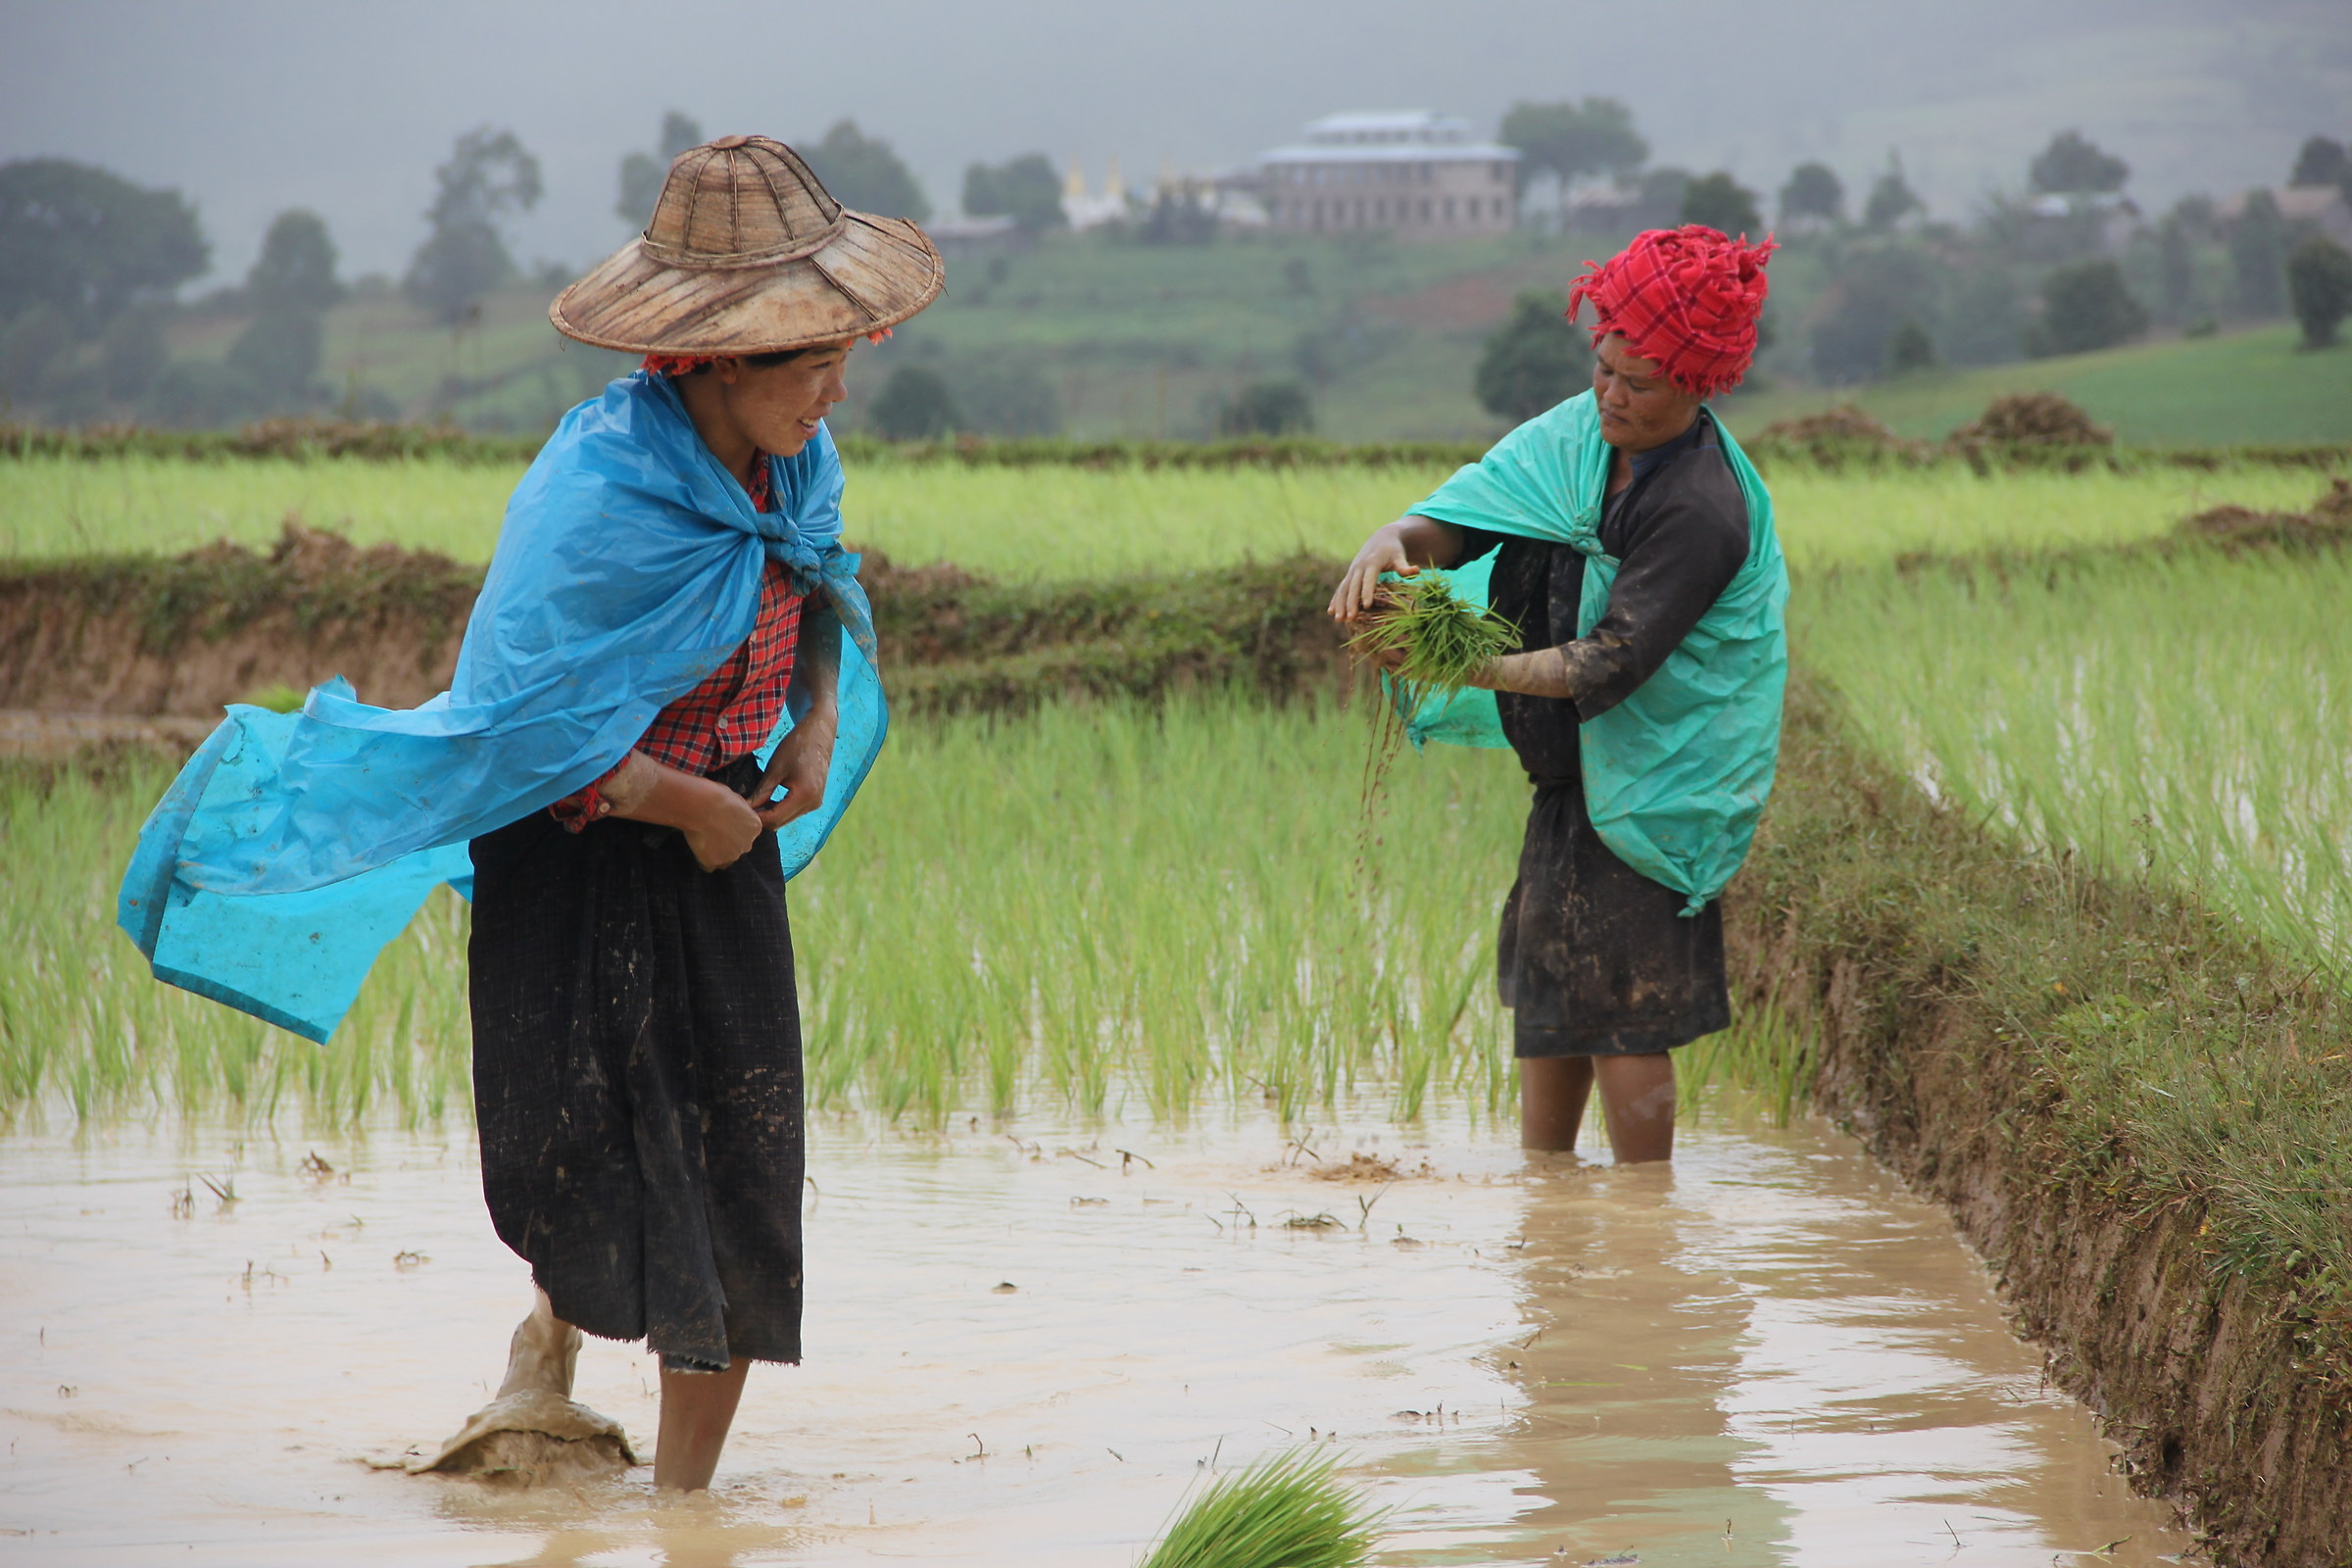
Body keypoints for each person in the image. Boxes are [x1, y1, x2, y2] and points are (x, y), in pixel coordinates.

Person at [118, 135, 943, 1490]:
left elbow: (816, 577)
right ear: (720, 355)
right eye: (810, 360)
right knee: (597, 1156)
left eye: (845, 354)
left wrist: (817, 713)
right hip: (581, 863)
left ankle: (683, 1512)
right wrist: (684, 808)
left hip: (720, 838)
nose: (835, 387)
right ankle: (548, 1340)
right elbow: (535, 735)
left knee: (743, 1167)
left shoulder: (794, 461)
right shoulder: (600, 494)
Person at [1328, 225, 1788, 1164]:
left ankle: (1643, 1219)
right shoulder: (1576, 439)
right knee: (1549, 995)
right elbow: (1471, 515)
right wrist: (1397, 539)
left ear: (1697, 385)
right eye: (1604, 368)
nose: (1612, 395)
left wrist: (1466, 667)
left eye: (1641, 383)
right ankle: (1550, 1203)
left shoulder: (1700, 507)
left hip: (1652, 787)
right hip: (1568, 776)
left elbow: (1605, 665)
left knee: (1626, 1008)